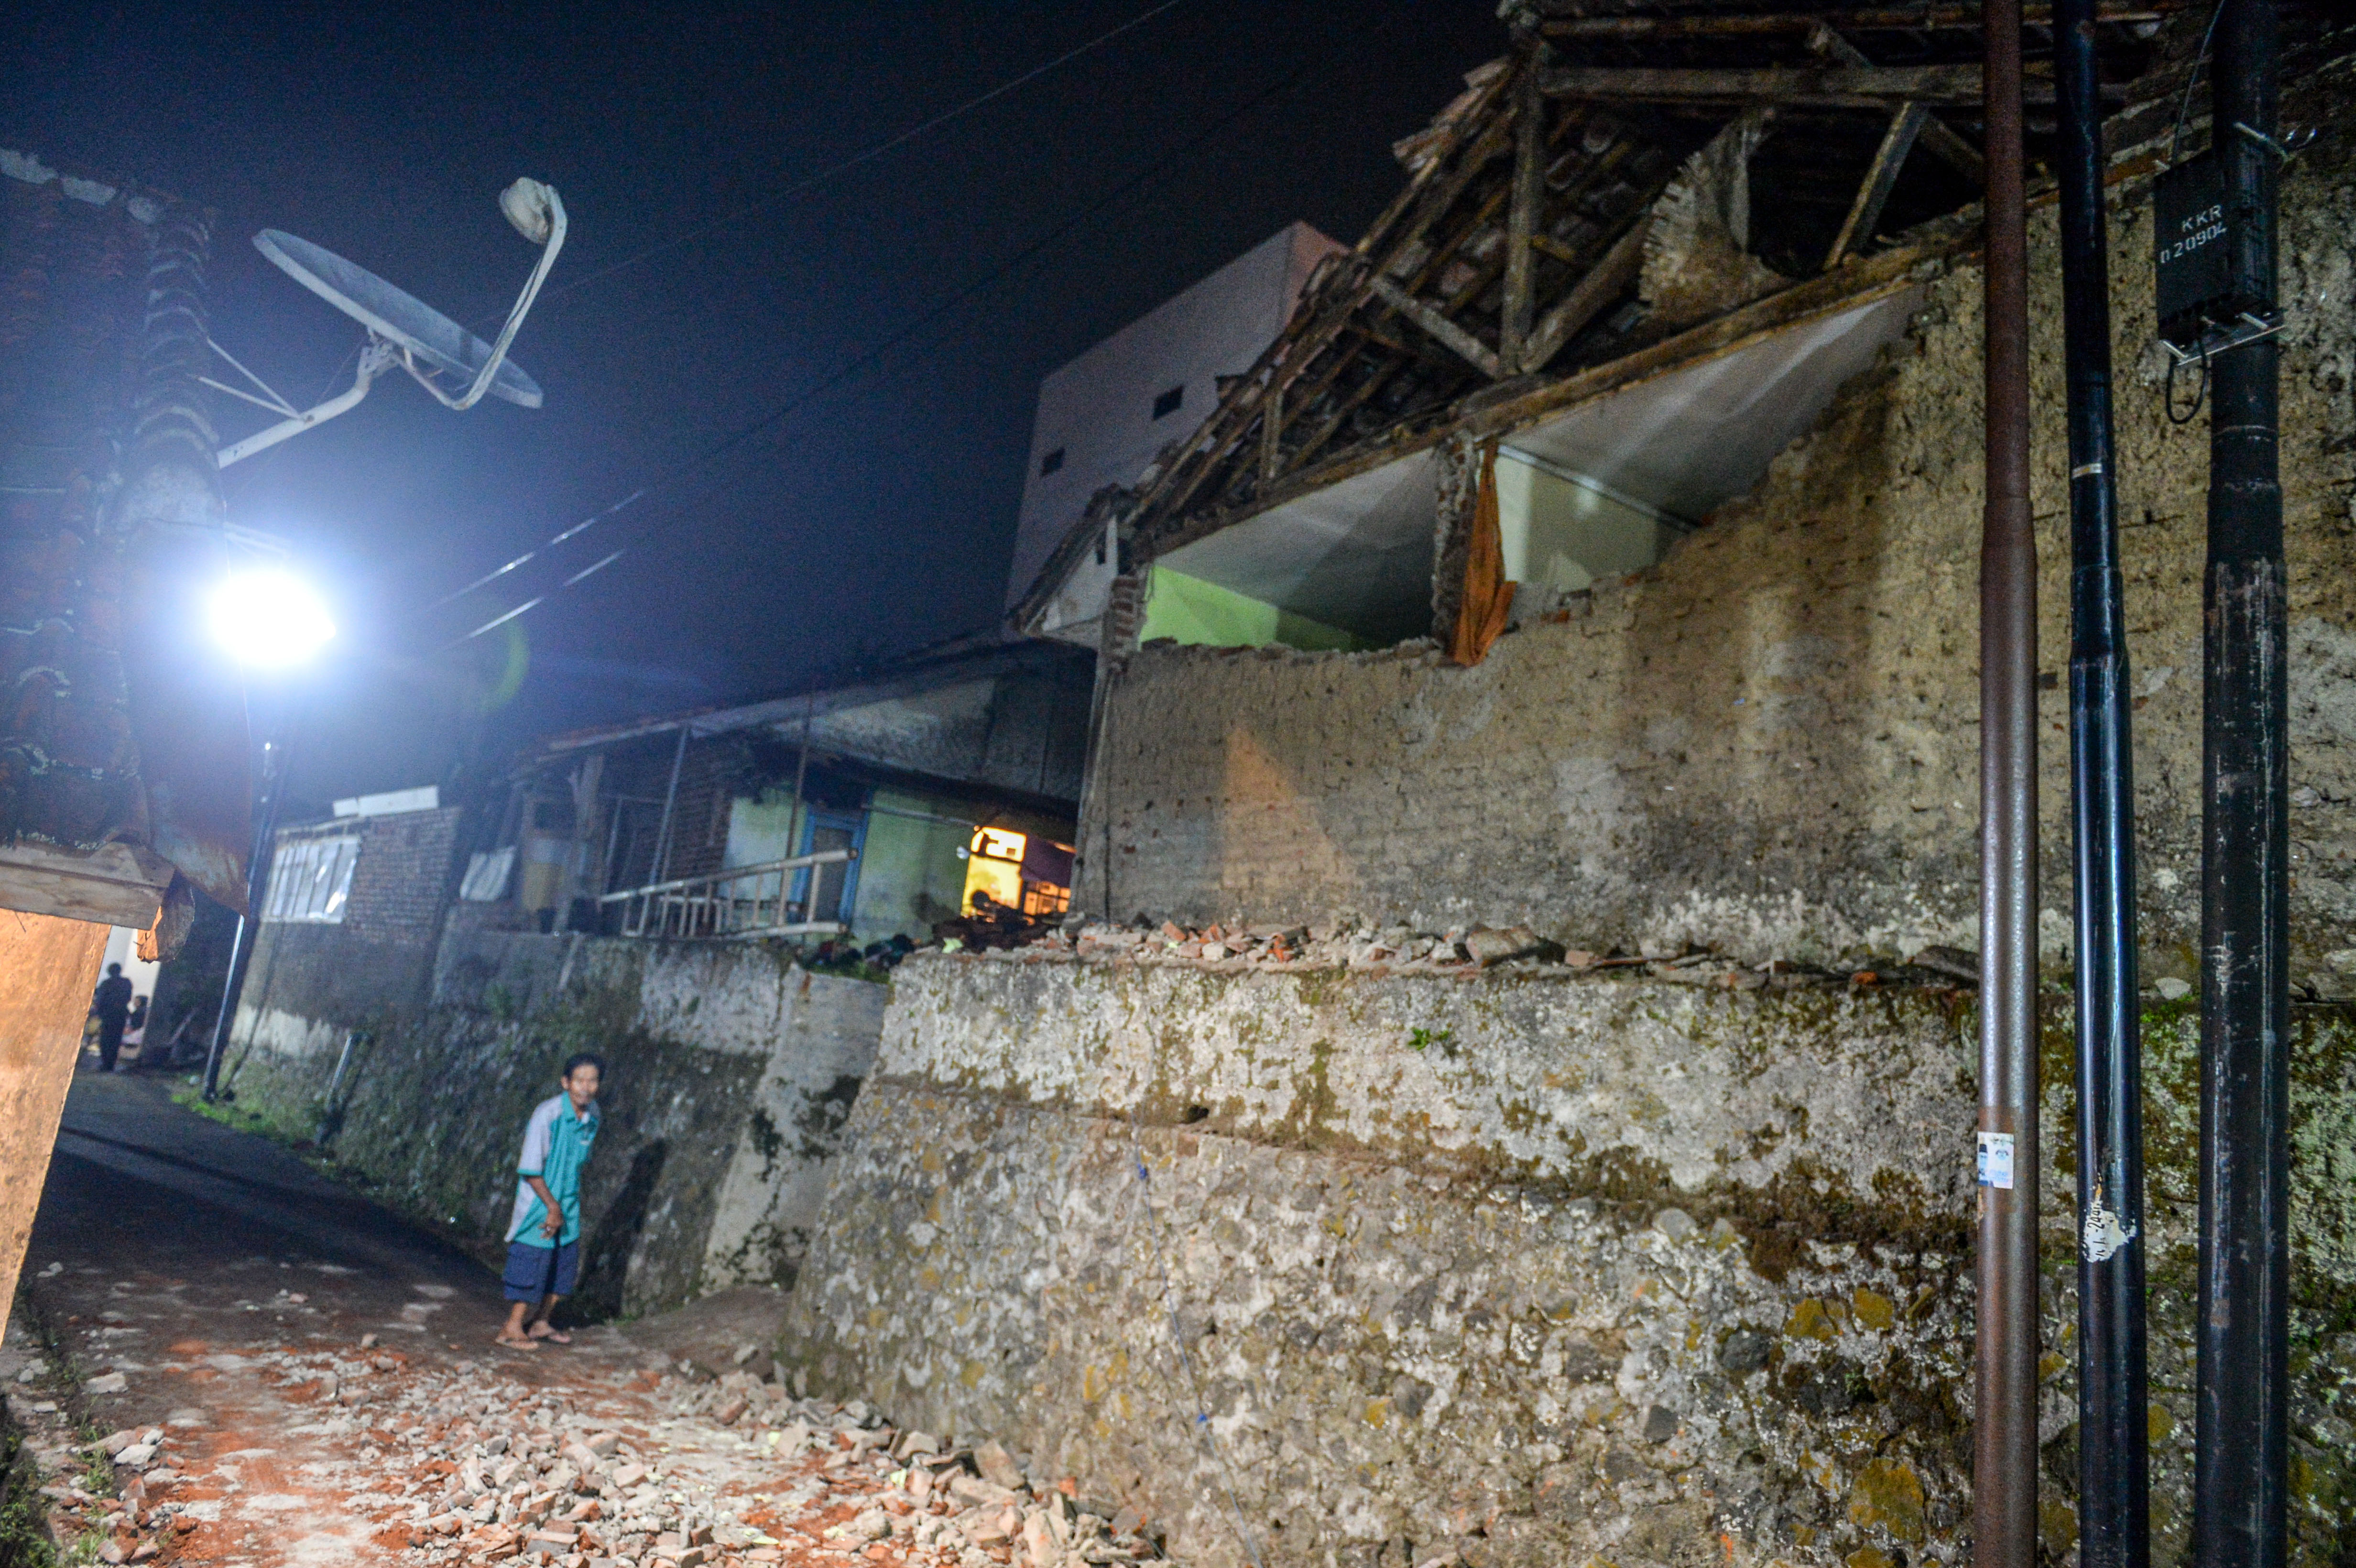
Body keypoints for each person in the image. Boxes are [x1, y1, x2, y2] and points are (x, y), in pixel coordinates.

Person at [497, 1053, 603, 1349]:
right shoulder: (548, 1115)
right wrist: (552, 1207)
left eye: (592, 1081)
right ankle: (511, 1327)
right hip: (540, 1201)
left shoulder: (594, 1116)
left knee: (563, 1263)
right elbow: (531, 1169)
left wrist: (564, 1205)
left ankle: (541, 1322)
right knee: (532, 1259)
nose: (586, 1088)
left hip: (568, 1201)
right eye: (579, 1081)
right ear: (566, 1083)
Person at [89, 964, 134, 1073]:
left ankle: (106, 1064)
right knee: (116, 1040)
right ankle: (111, 1064)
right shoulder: (126, 983)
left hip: (108, 1015)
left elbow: (100, 1000)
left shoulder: (106, 984)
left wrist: (98, 1013)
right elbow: (128, 998)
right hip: (121, 1015)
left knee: (105, 1040)